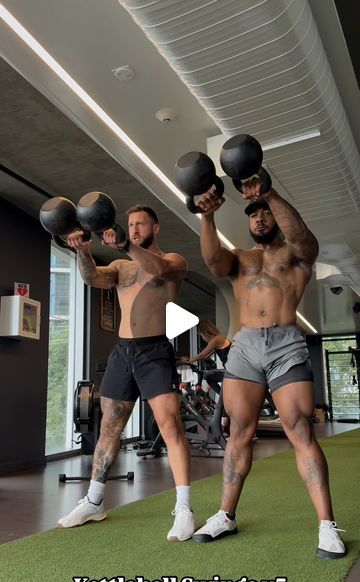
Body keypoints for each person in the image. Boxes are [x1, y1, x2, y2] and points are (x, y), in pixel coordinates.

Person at [191, 180, 346, 559]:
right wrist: (207, 215)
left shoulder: (296, 256)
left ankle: (327, 525)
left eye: (265, 213)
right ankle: (225, 515)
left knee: (299, 428)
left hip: (285, 345)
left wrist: (271, 195)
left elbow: (308, 242)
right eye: (254, 215)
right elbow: (212, 262)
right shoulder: (240, 259)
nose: (259, 219)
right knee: (239, 432)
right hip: (244, 347)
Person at [57, 204, 196, 542]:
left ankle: (184, 508)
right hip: (123, 352)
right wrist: (83, 251)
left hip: (154, 351)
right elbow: (92, 278)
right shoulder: (121, 266)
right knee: (109, 427)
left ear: (156, 228)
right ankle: (94, 501)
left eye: (141, 225)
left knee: (169, 425)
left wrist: (124, 244)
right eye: (130, 225)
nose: (134, 229)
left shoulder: (174, 261)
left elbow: (159, 268)